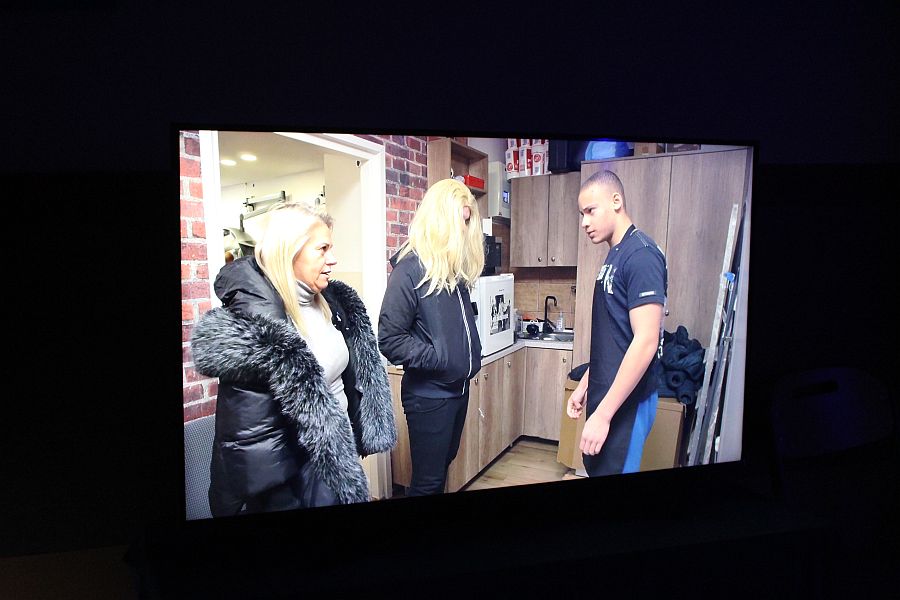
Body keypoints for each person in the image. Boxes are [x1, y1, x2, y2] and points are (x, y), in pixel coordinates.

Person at [190, 201, 396, 516]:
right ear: (290, 252)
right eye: (322, 249)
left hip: (336, 459)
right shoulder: (259, 327)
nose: (333, 259)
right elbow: (250, 438)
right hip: (298, 480)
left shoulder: (327, 302)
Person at [377, 178, 484, 496]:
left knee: (441, 471)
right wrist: (440, 359)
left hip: (458, 391)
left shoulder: (452, 271)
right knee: (427, 483)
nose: (464, 229)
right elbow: (390, 338)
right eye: (460, 220)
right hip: (430, 396)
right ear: (440, 219)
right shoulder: (409, 270)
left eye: (468, 222)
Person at [566, 170, 668, 476]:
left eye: (590, 211)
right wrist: (585, 384)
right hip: (607, 395)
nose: (584, 222)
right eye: (581, 214)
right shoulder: (615, 254)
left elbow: (645, 341)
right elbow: (614, 337)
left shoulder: (642, 255)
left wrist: (603, 415)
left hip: (627, 403)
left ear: (616, 201)